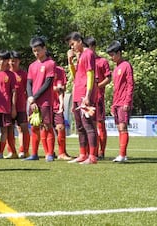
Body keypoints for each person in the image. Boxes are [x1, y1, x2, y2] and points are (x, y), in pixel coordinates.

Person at [66, 32, 98, 164]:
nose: (72, 47)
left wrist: (88, 95)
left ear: (79, 41)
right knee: (79, 126)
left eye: (73, 44)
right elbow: (75, 76)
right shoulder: (80, 56)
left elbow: (90, 74)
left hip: (84, 94)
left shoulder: (88, 53)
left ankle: (92, 156)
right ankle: (82, 154)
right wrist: (70, 62)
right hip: (77, 93)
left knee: (88, 125)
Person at [25, 37, 56, 162]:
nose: (36, 53)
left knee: (47, 126)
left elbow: (48, 83)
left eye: (38, 50)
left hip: (45, 101)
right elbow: (29, 83)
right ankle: (34, 154)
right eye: (34, 51)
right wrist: (30, 98)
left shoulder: (50, 63)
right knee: (34, 127)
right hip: (33, 101)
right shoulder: (32, 66)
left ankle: (49, 154)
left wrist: (34, 98)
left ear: (44, 49)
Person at [106, 40, 134, 162]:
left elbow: (130, 84)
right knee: (119, 128)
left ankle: (122, 155)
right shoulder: (116, 68)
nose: (111, 58)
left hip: (123, 102)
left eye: (112, 55)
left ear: (119, 53)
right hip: (116, 102)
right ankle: (122, 154)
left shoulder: (126, 65)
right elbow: (116, 88)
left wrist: (127, 101)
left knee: (123, 127)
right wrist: (113, 104)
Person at [85, 37, 111, 160]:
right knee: (89, 125)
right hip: (87, 98)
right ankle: (91, 151)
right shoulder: (84, 60)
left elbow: (108, 78)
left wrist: (97, 86)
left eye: (89, 47)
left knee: (100, 124)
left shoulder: (102, 61)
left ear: (94, 47)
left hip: (98, 97)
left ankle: (101, 151)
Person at [6, 50, 29, 159]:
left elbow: (28, 90)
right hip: (7, 107)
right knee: (9, 128)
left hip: (21, 106)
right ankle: (12, 151)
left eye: (14, 61)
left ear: (19, 61)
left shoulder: (24, 75)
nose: (11, 63)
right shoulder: (6, 74)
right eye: (10, 61)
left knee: (22, 128)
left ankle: (24, 150)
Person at [53, 65, 72, 160]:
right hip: (44, 103)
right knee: (45, 128)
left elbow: (62, 87)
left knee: (60, 127)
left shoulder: (59, 70)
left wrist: (61, 102)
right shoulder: (37, 67)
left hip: (56, 104)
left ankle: (62, 152)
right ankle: (49, 152)